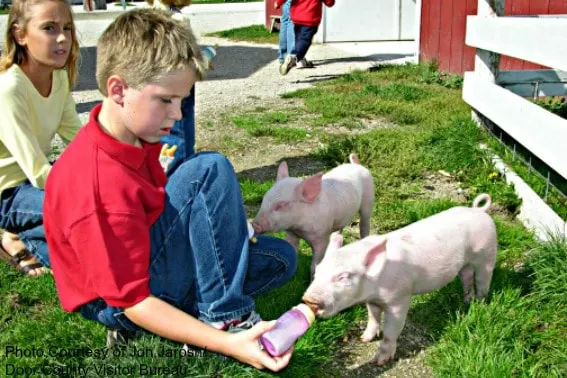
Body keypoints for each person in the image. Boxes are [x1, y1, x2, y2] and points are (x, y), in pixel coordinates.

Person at [43, 9, 297, 372]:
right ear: (118, 90)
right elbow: (130, 299)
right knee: (208, 170)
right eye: (166, 100)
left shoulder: (132, 131)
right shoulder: (97, 186)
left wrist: (225, 231)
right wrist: (227, 345)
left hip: (145, 255)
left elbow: (160, 202)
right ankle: (223, 321)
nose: (177, 115)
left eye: (182, 101)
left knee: (279, 260)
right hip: (117, 303)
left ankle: (188, 316)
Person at [0, 0, 81, 276]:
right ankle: (12, 235)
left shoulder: (58, 78)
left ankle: (29, 232)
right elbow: (37, 171)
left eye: (67, 28)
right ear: (20, 35)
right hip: (8, 193)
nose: (62, 38)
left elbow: (80, 141)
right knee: (84, 214)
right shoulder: (10, 88)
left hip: (36, 182)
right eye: (49, 28)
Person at [277, 0, 335, 75]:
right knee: (304, 40)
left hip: (297, 17)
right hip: (310, 18)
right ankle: (293, 57)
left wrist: (278, 2)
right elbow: (330, 2)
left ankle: (285, 57)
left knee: (297, 37)